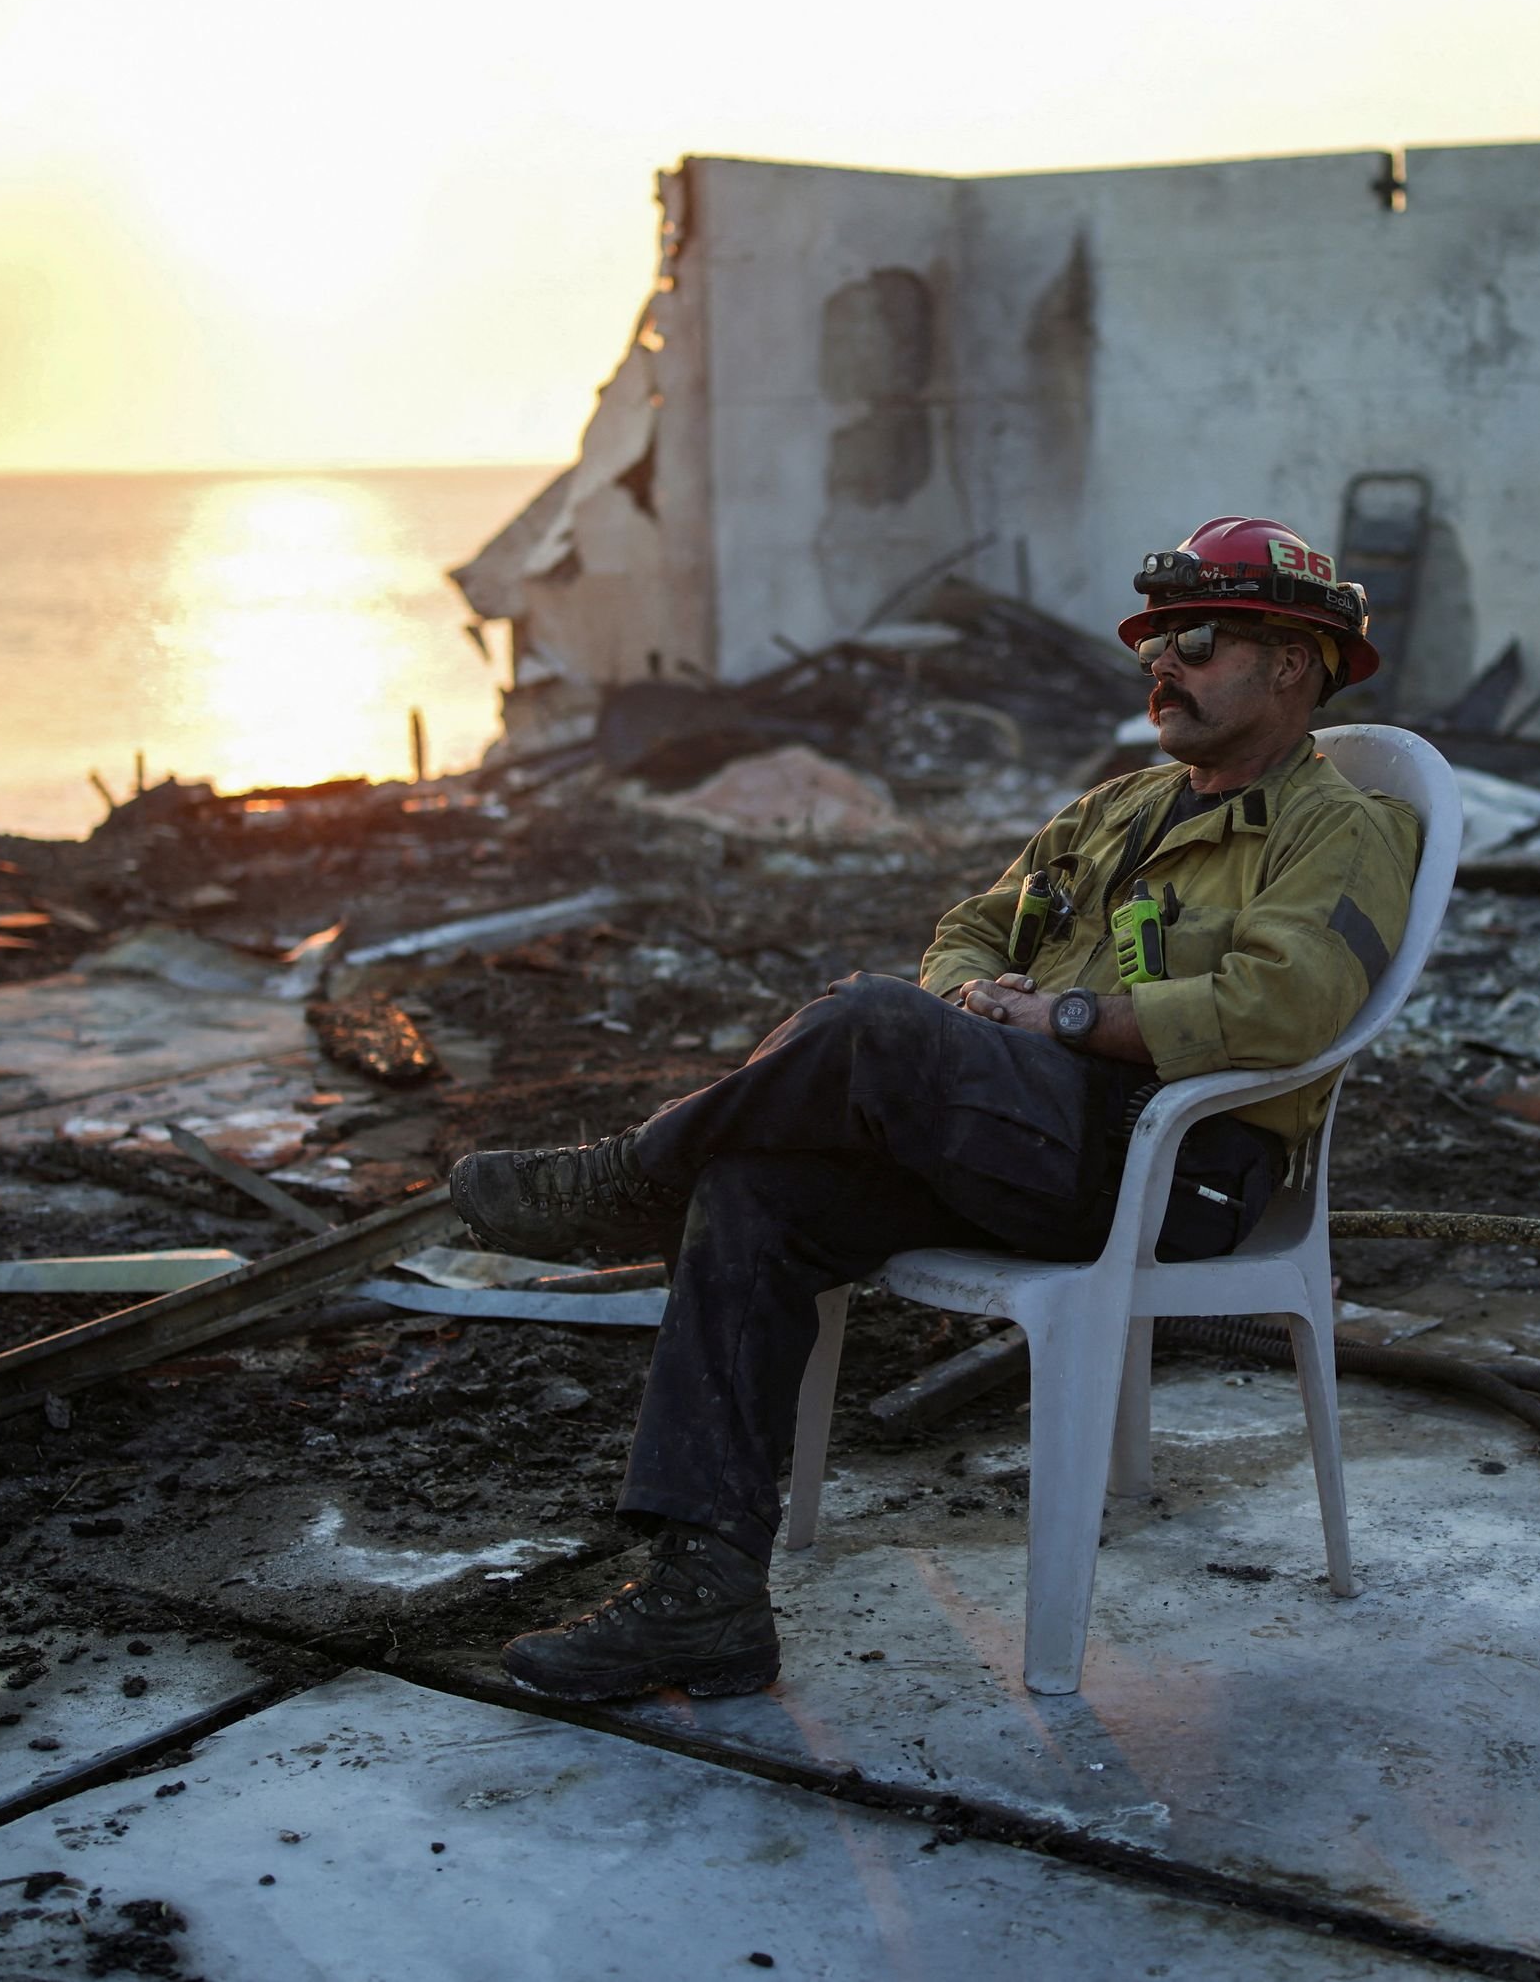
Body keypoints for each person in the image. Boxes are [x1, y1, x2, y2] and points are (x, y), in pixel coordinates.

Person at [455, 516, 1427, 1702]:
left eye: (1198, 638)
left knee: (868, 1022)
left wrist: (1058, 1021)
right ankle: (701, 1596)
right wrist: (973, 996)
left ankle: (621, 1181)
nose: (1162, 665)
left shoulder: (1346, 827)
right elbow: (969, 925)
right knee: (754, 1192)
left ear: (1291, 661)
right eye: (1154, 644)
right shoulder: (1116, 807)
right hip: (1024, 1132)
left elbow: (1288, 1006)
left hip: (1169, 1165)